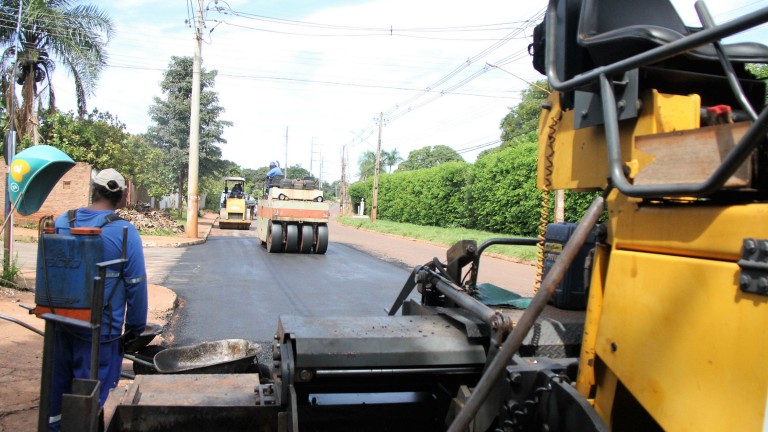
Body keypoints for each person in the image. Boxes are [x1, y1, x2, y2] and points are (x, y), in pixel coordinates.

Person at [48, 168, 147, 431]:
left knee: (56, 392)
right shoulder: (124, 232)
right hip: (102, 332)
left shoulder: (62, 221)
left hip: (60, 325)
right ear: (122, 196)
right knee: (95, 397)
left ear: (94, 190)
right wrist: (135, 329)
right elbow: (136, 285)